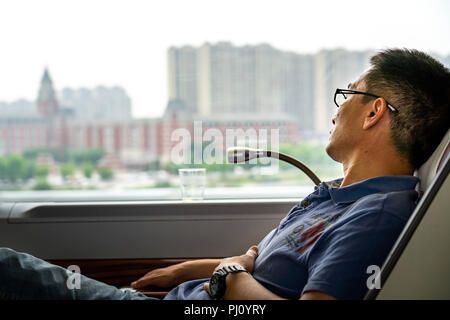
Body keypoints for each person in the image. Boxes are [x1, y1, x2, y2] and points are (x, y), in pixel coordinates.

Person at [1, 48, 449, 300]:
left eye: (346, 95)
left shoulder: (376, 216)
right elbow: (258, 260)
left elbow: (246, 274)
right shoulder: (333, 195)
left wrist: (227, 275)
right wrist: (185, 270)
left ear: (373, 112)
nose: (335, 112)